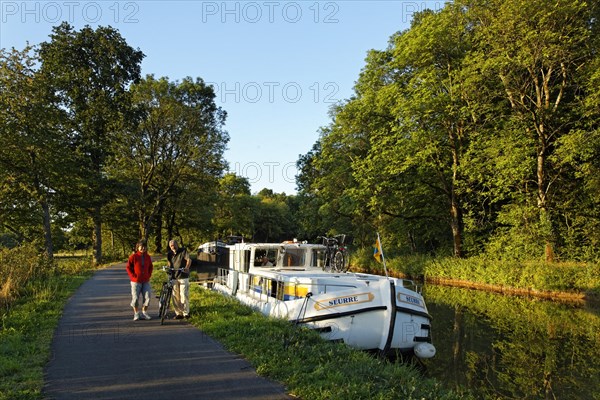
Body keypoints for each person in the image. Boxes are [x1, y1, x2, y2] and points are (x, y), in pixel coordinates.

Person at [126, 240, 153, 321]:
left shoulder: (148, 256)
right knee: (135, 298)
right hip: (135, 281)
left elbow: (151, 267)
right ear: (138, 247)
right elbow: (128, 267)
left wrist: (149, 275)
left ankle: (144, 312)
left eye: (144, 246)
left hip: (145, 281)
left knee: (147, 297)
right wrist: (133, 276)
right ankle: (136, 314)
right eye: (141, 246)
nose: (143, 248)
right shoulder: (133, 257)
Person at [167, 239, 192, 319]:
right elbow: (169, 263)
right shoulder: (169, 254)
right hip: (174, 276)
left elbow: (189, 260)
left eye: (174, 245)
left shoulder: (183, 251)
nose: (172, 247)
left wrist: (187, 267)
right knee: (175, 296)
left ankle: (186, 313)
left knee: (184, 294)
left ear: (177, 245)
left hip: (183, 276)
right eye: (171, 245)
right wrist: (168, 269)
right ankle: (178, 313)